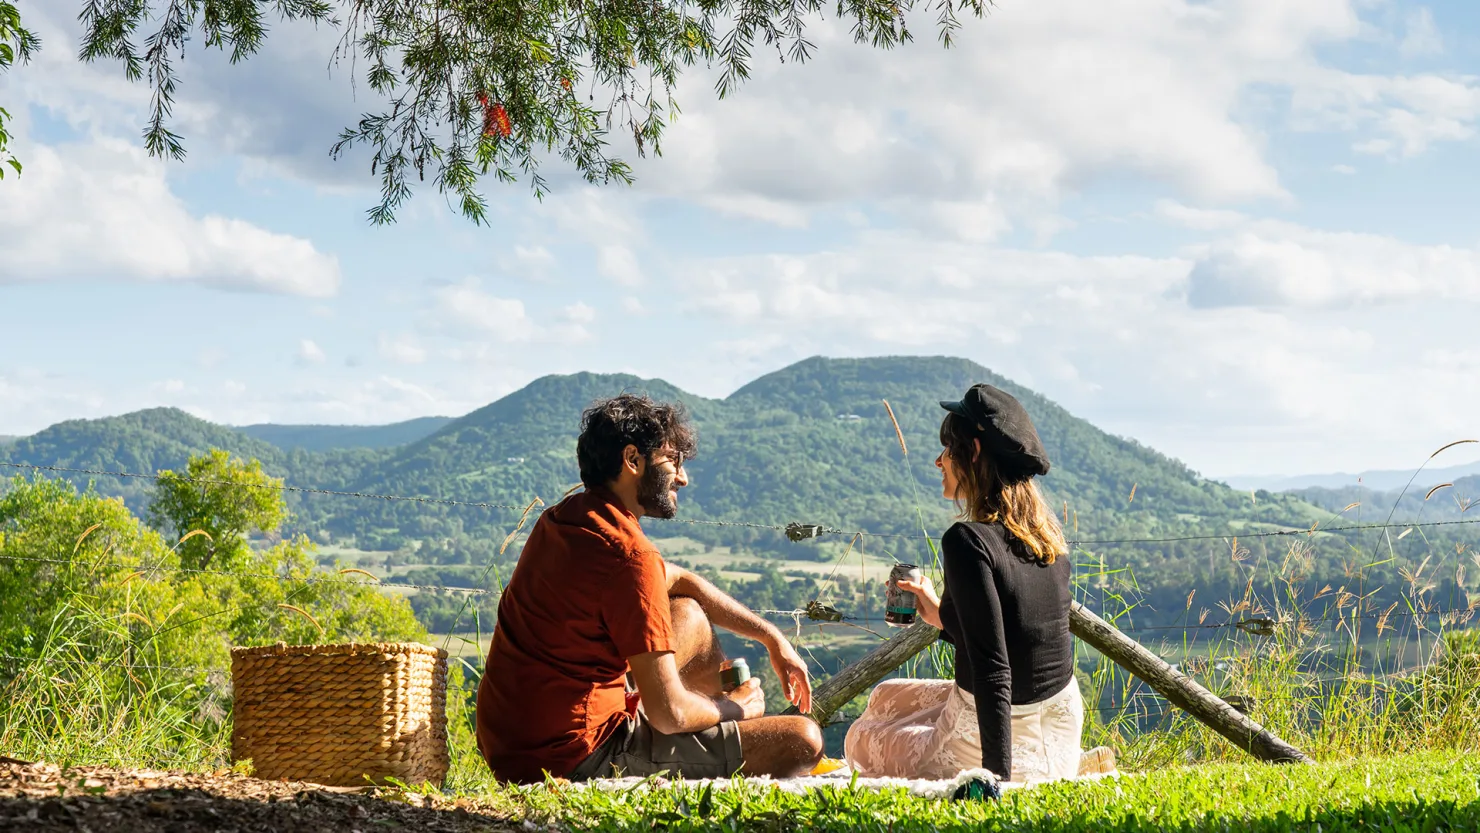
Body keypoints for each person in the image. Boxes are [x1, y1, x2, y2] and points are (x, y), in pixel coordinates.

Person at [475, 393, 825, 784]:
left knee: (689, 614)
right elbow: (668, 714)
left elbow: (681, 580)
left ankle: (698, 736)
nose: (683, 477)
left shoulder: (565, 520)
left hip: (511, 744)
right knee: (801, 740)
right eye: (672, 461)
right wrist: (733, 709)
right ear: (632, 460)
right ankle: (705, 733)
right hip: (573, 758)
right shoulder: (629, 555)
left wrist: (771, 637)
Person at [844, 383, 1100, 784]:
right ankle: (1055, 764)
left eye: (948, 449)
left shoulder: (967, 540)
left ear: (974, 453)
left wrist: (993, 780)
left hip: (1000, 733)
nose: (938, 461)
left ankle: (1016, 769)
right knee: (885, 694)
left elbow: (993, 668)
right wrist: (940, 614)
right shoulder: (1049, 539)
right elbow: (1016, 638)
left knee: (860, 737)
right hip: (1059, 721)